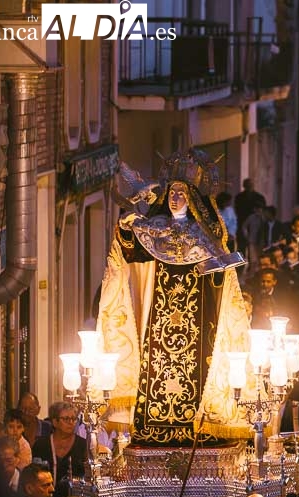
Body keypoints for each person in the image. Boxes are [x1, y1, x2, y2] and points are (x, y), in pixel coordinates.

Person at [99, 152, 251, 445]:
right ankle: (154, 424)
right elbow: (132, 250)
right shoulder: (154, 228)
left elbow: (219, 276)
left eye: (181, 193)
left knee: (197, 372)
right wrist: (126, 227)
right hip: (160, 323)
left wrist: (219, 268)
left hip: (198, 323)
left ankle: (200, 421)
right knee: (156, 369)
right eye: (172, 192)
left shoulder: (205, 233)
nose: (174, 198)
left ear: (192, 198)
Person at [31, 402, 86, 497]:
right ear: (55, 422)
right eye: (66, 419)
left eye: (73, 419)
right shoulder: (41, 445)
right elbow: (34, 475)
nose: (71, 422)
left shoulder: (83, 445)